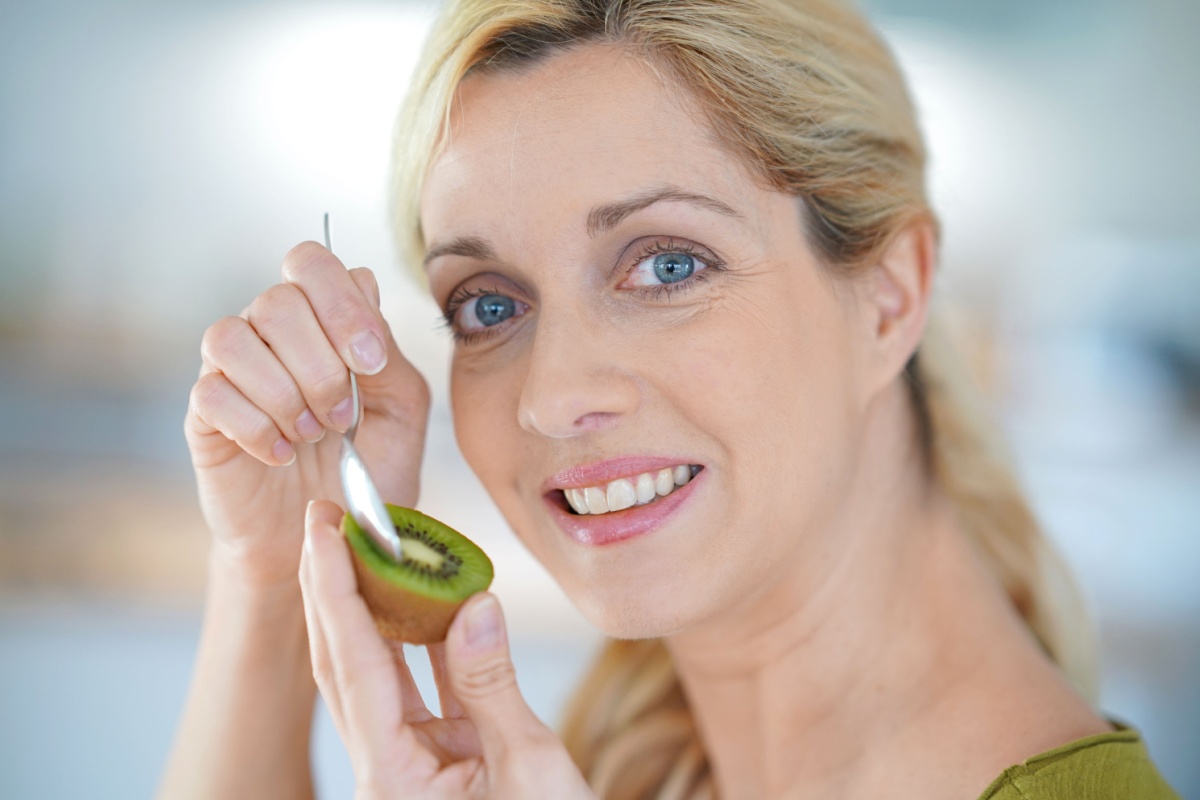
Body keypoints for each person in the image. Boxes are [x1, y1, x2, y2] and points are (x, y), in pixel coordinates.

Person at [160, 0, 1182, 797]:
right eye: (489, 304)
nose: (552, 396)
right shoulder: (618, 765)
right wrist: (270, 574)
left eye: (668, 265)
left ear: (889, 296)